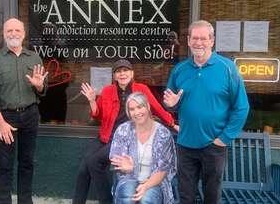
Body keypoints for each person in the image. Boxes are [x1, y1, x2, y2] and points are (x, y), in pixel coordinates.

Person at [163, 20, 249, 204]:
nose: (198, 42)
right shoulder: (180, 70)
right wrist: (171, 105)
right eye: (195, 38)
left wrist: (223, 138)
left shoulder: (227, 68)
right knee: (186, 195)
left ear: (212, 41)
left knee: (211, 196)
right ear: (188, 40)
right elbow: (171, 104)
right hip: (185, 144)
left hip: (214, 145)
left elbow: (241, 107)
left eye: (203, 38)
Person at [73, 59, 178, 204]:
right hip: (106, 136)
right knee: (84, 169)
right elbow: (98, 115)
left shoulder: (141, 89)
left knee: (94, 162)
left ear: (132, 73)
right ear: (114, 76)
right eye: (119, 71)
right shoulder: (107, 90)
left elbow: (156, 108)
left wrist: (172, 123)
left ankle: (106, 201)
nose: (122, 74)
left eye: (126, 70)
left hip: (124, 138)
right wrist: (92, 100)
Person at [0, 18, 48, 204]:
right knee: (5, 164)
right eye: (9, 30)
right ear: (4, 34)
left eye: (17, 30)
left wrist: (39, 86)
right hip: (5, 117)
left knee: (27, 162)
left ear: (23, 33)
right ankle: (4, 201)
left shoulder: (34, 58)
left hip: (30, 114)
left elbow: (43, 91)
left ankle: (25, 201)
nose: (13, 34)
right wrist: (1, 123)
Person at [110, 92, 176, 204]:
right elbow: (115, 160)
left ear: (148, 107)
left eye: (140, 107)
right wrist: (125, 168)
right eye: (132, 109)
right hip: (129, 177)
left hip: (155, 181)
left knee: (147, 200)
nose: (136, 112)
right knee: (127, 198)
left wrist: (146, 185)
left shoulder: (163, 134)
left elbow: (163, 170)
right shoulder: (123, 130)